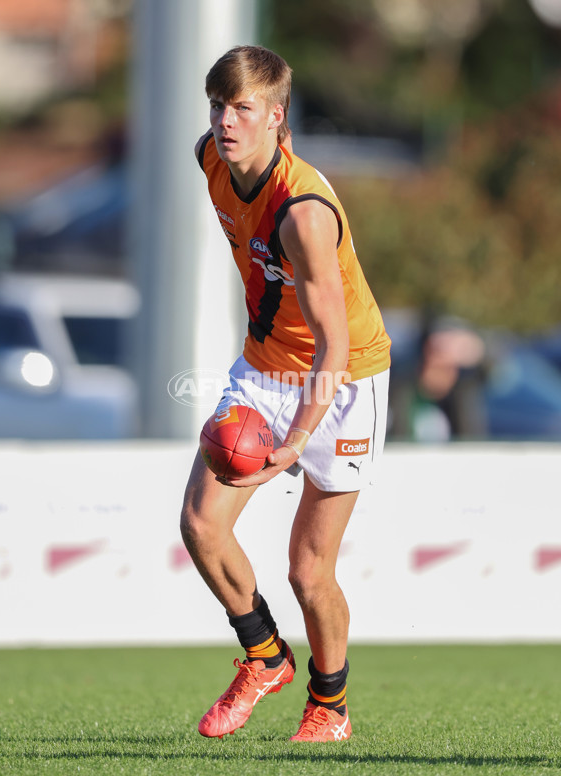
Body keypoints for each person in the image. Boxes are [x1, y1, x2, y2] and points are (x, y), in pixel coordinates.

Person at [180, 45, 391, 742]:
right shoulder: (210, 158)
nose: (226, 121)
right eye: (218, 105)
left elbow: (333, 345)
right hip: (264, 367)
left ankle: (329, 704)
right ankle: (265, 656)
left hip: (347, 375)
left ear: (275, 116)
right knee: (202, 525)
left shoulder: (304, 213)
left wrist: (297, 440)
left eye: (243, 108)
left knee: (308, 571)